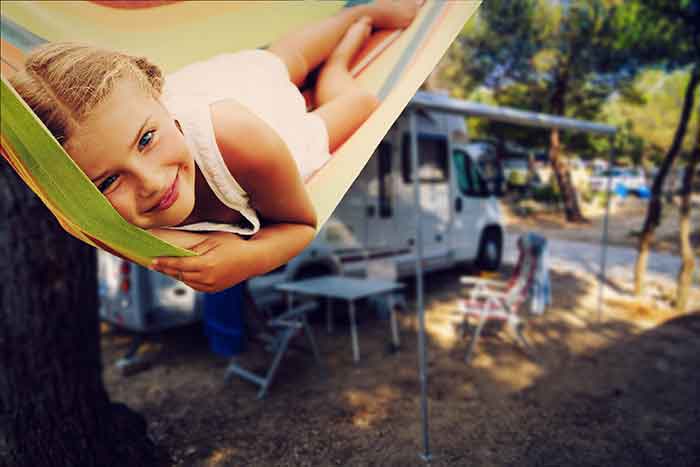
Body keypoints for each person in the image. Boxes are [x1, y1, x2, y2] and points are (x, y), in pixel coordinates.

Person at [9, 0, 418, 292]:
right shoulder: (95, 218)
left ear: (159, 97)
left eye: (147, 140)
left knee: (294, 66)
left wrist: (249, 258)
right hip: (194, 111)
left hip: (264, 122)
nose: (150, 183)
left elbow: (300, 225)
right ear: (79, 197)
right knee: (280, 60)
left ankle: (354, 25)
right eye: (108, 181)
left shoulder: (238, 136)